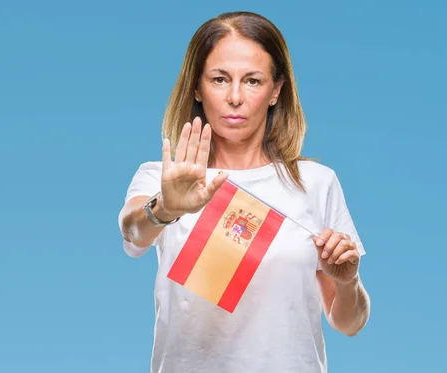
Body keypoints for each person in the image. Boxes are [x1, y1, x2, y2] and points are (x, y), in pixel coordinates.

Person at [118, 11, 370, 373]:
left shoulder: (316, 183)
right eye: (219, 79)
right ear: (196, 87)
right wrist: (165, 209)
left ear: (276, 91)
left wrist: (349, 282)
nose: (235, 97)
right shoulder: (164, 176)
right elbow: (132, 230)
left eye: (253, 81)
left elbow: (350, 322)